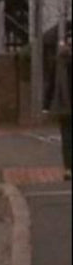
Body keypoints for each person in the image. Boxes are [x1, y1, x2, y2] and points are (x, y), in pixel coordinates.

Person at [52, 35, 72, 182]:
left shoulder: (60, 61)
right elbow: (52, 83)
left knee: (67, 139)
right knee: (66, 139)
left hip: (64, 106)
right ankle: (68, 169)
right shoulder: (60, 61)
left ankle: (68, 169)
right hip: (65, 107)